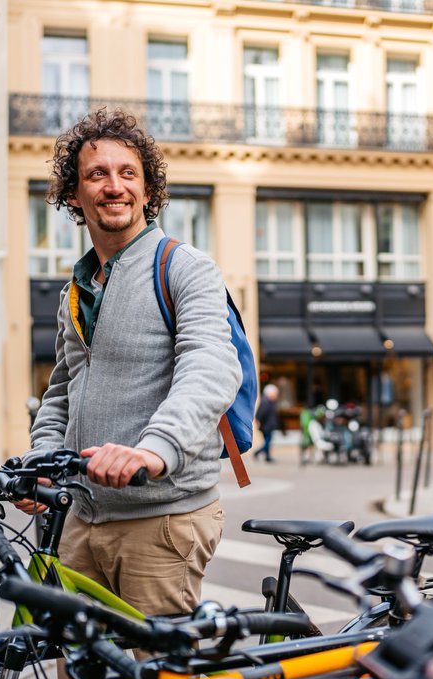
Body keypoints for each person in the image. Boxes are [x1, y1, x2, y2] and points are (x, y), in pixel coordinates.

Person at [21, 108, 240, 631]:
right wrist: (40, 461)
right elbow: (62, 390)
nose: (114, 186)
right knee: (79, 671)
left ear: (147, 190)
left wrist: (153, 450)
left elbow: (209, 366)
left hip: (159, 519)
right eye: (97, 174)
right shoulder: (76, 289)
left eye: (128, 173)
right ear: (74, 194)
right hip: (77, 520)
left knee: (155, 677)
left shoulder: (185, 268)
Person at [253, 384, 280, 462]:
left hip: (267, 425)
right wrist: (258, 420)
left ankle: (267, 457)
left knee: (267, 441)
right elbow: (261, 413)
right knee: (268, 442)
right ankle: (257, 452)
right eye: (275, 394)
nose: (276, 396)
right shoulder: (266, 402)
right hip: (267, 426)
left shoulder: (269, 401)